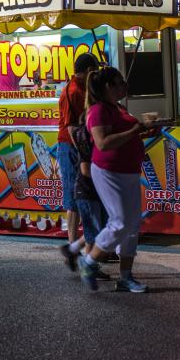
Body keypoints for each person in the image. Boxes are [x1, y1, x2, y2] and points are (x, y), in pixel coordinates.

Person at [78, 67, 155, 293]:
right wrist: (135, 131)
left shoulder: (116, 108)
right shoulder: (98, 110)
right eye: (120, 82)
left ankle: (125, 277)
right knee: (120, 221)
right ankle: (89, 261)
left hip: (129, 171)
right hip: (109, 171)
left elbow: (122, 137)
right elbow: (102, 143)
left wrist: (144, 133)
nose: (125, 85)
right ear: (108, 87)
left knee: (132, 226)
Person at [56, 52, 100, 268]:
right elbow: (72, 126)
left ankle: (78, 246)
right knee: (74, 198)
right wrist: (83, 151)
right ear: (88, 70)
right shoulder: (74, 91)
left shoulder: (82, 88)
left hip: (74, 146)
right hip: (69, 146)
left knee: (79, 197)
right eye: (95, 70)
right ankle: (73, 244)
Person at [61, 108, 110, 277]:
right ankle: (89, 265)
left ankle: (74, 250)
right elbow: (85, 170)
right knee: (95, 230)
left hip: (93, 190)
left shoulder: (92, 141)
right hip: (88, 190)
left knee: (100, 228)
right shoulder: (87, 143)